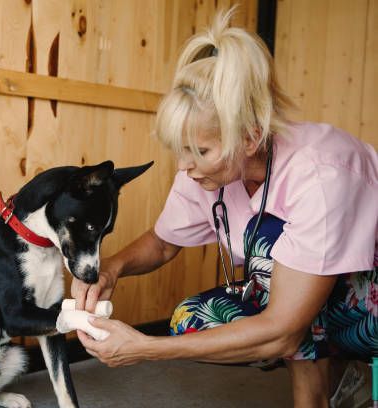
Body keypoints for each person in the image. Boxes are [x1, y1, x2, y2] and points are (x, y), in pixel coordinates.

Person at [72, 7, 378, 408]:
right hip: (314, 299)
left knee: (269, 240)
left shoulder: (320, 175)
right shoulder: (207, 172)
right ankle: (340, 381)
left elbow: (283, 330)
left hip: (367, 303)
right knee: (193, 319)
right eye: (182, 149)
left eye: (200, 151)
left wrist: (145, 347)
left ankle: (325, 391)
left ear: (249, 139)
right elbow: (163, 243)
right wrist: (112, 267)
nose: (184, 166)